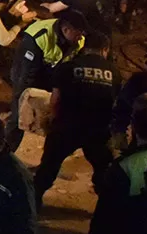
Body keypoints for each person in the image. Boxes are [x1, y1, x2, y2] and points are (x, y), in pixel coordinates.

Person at [32, 30, 118, 204]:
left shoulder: (67, 67)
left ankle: (32, 203)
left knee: (48, 168)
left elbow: (55, 100)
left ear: (85, 48)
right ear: (105, 50)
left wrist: (52, 122)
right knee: (104, 171)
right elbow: (115, 104)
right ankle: (107, 209)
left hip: (67, 126)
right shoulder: (114, 72)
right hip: (98, 130)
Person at [5, 11, 87, 154]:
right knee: (19, 113)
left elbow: (73, 66)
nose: (80, 37)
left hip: (51, 73)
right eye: (78, 33)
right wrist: (24, 98)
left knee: (55, 115)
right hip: (27, 71)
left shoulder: (78, 41)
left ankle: (50, 153)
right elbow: (26, 75)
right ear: (66, 30)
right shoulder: (38, 36)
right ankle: (6, 152)